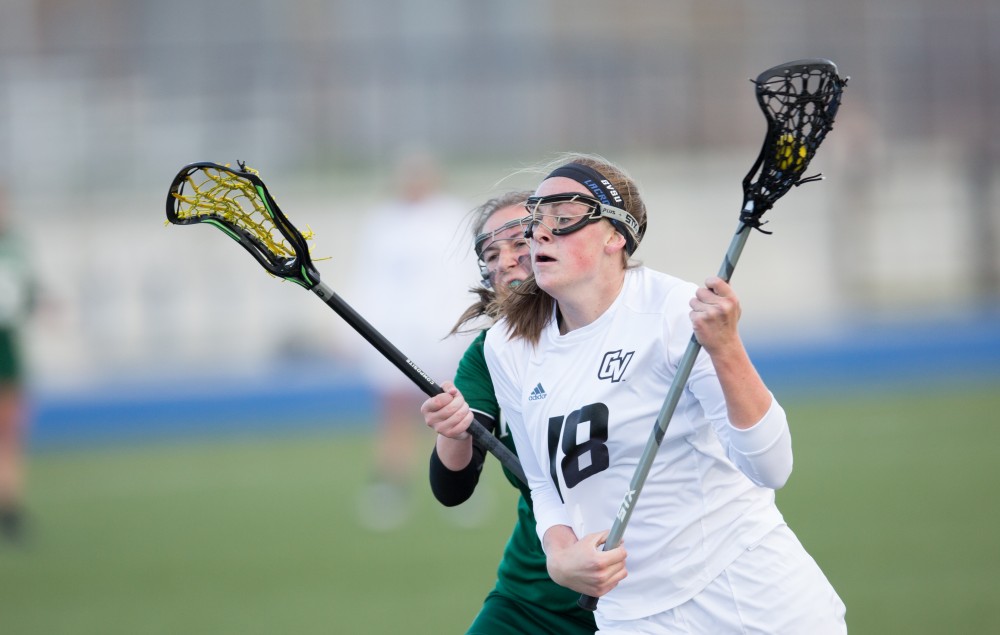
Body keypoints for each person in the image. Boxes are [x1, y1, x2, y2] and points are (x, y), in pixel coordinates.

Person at [432, 153, 847, 633]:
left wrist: (728, 349)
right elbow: (546, 483)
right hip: (630, 615)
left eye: (562, 220)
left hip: (746, 595)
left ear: (615, 235)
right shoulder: (507, 348)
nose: (539, 234)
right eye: (535, 221)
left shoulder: (675, 312)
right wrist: (559, 555)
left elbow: (771, 468)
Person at [421, 191, 597, 634]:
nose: (506, 262)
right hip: (535, 595)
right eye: (491, 254)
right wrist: (454, 430)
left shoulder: (629, 324)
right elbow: (453, 487)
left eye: (520, 243)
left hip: (643, 579)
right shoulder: (490, 354)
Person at [351, 148, 476, 531]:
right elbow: (371, 279)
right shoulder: (384, 223)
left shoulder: (452, 217)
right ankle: (393, 484)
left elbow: (464, 276)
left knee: (455, 412)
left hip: (443, 331)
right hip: (397, 333)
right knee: (395, 412)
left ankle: (462, 485)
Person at [0, 184, 36, 545]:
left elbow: (26, 297)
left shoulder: (15, 247)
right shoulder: (12, 249)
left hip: (8, 350)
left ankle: (10, 507)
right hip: (5, 345)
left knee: (9, 435)